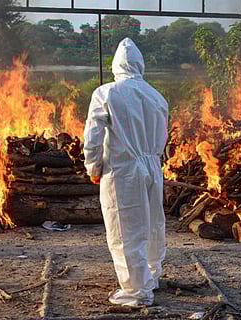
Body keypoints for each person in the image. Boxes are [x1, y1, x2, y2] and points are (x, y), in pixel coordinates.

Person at [83, 38, 169, 307]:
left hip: (123, 169)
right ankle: (152, 275)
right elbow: (163, 136)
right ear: (140, 65)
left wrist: (93, 166)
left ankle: (136, 291)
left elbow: (93, 135)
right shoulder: (157, 97)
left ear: (116, 66)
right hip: (153, 165)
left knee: (125, 228)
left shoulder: (106, 93)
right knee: (153, 224)